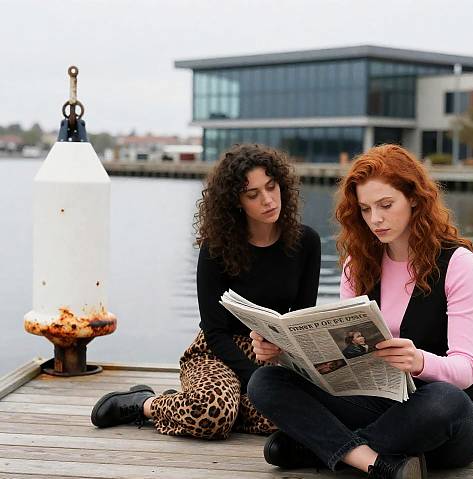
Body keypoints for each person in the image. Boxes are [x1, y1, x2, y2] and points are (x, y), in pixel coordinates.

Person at [248, 144, 473, 479]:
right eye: (365, 209)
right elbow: (348, 361)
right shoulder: (357, 265)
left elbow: (466, 370)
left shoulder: (457, 263)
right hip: (378, 400)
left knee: (446, 401)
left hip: (442, 415)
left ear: (414, 199)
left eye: (386, 205)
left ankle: (322, 448)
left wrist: (420, 361)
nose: (375, 218)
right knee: (264, 380)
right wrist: (284, 353)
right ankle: (376, 463)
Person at [90, 143, 321, 440]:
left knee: (280, 419)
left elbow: (301, 320)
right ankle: (143, 403)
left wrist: (280, 361)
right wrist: (254, 378)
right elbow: (214, 331)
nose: (267, 200)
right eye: (253, 194)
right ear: (237, 202)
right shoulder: (216, 249)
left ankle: (207, 403)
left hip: (270, 353)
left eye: (271, 187)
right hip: (217, 353)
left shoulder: (307, 242)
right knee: (213, 412)